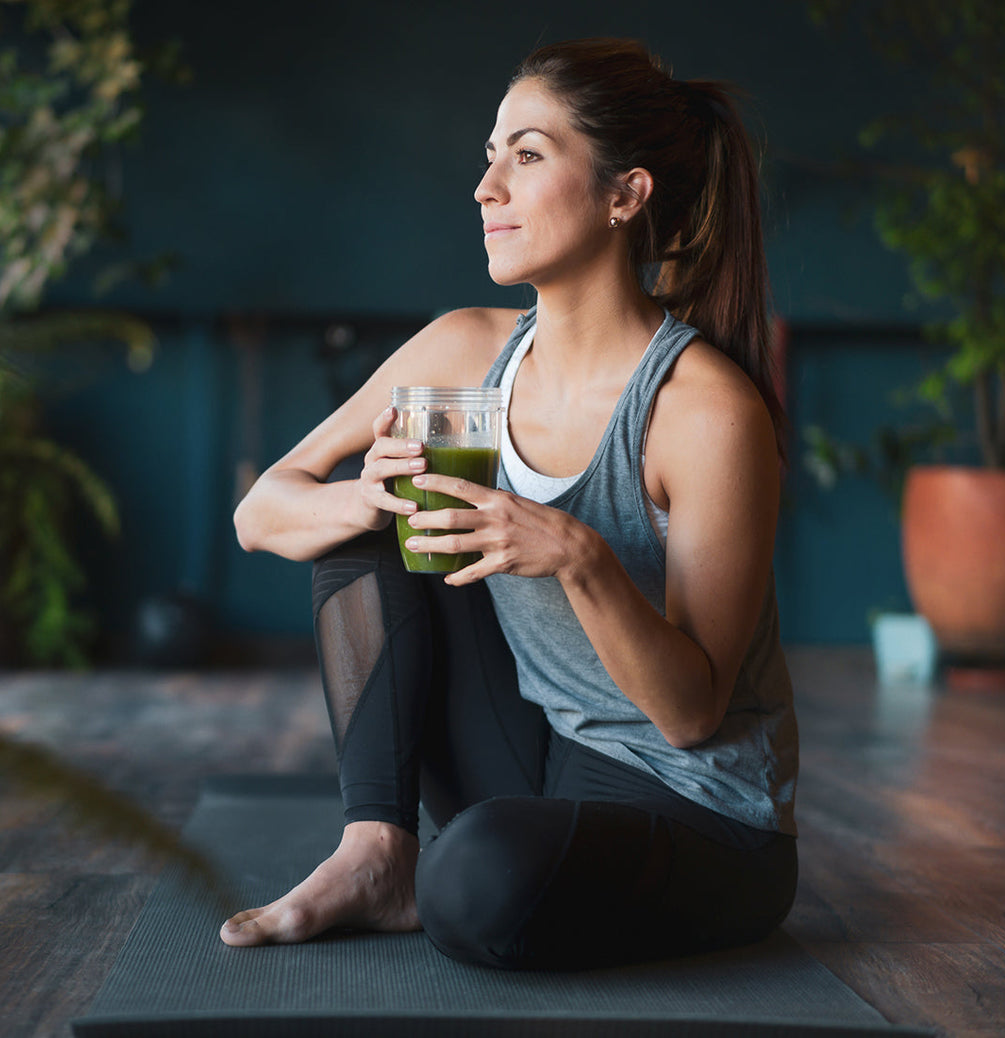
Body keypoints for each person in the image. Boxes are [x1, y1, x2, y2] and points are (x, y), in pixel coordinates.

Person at [222, 36, 798, 970]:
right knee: (366, 532)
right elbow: (261, 512)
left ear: (626, 193)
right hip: (540, 752)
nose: (487, 187)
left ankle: (451, 873)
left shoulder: (702, 412)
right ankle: (376, 852)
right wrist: (364, 501)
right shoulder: (463, 352)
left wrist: (580, 557)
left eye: (526, 155)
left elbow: (694, 714)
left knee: (479, 885)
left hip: (696, 810)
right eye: (490, 156)